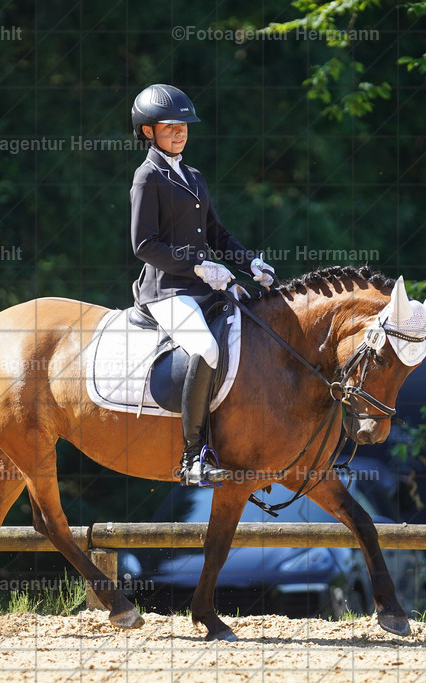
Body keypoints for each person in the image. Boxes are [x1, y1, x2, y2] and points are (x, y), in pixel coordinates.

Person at [129, 83, 276, 487]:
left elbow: (218, 235)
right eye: (170, 127)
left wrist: (251, 263)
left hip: (200, 286)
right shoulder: (148, 177)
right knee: (206, 347)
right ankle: (193, 457)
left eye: (184, 127)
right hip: (166, 291)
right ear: (148, 131)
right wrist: (197, 266)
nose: (179, 133)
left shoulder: (193, 176)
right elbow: (144, 245)